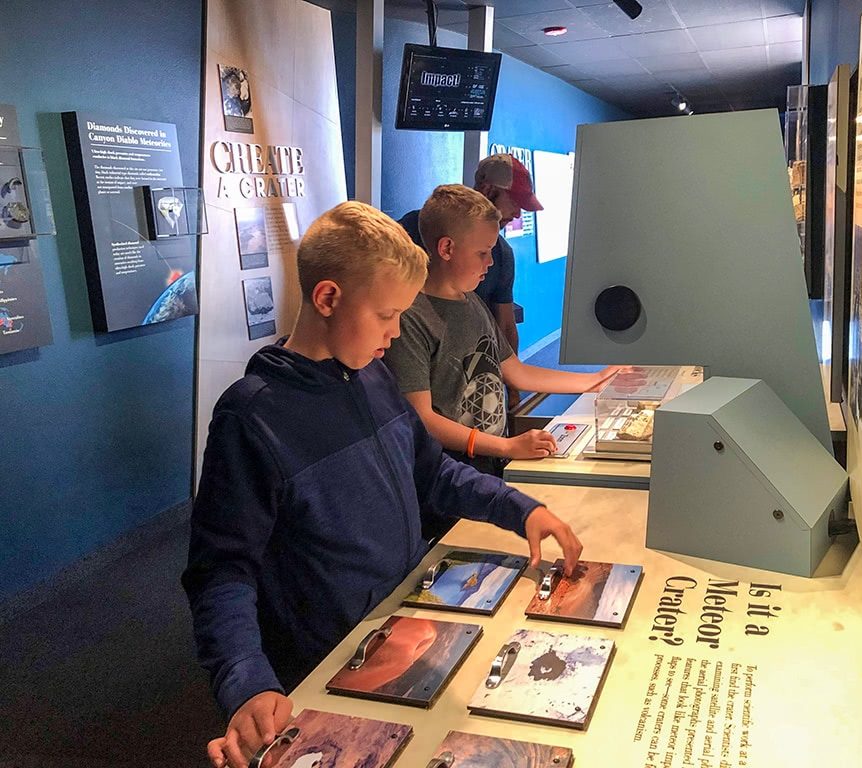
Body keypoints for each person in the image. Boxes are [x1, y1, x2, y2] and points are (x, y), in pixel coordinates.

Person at [182, 201, 583, 768]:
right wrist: (246, 681)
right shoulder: (252, 419)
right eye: (386, 315)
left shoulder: (373, 376)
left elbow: (433, 474)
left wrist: (518, 508)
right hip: (322, 659)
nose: (396, 335)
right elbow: (221, 571)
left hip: (402, 625)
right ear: (327, 299)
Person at [384, 184, 617, 482]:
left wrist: (594, 380)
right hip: (447, 474)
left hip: (487, 461)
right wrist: (506, 445)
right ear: (446, 249)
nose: (491, 262)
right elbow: (423, 419)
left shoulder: (474, 303)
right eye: (482, 253)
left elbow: (515, 372)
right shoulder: (412, 317)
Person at [397, 153, 538, 357]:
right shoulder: (409, 230)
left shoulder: (502, 256)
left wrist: (513, 388)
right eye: (515, 202)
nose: (518, 214)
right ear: (445, 248)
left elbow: (506, 325)